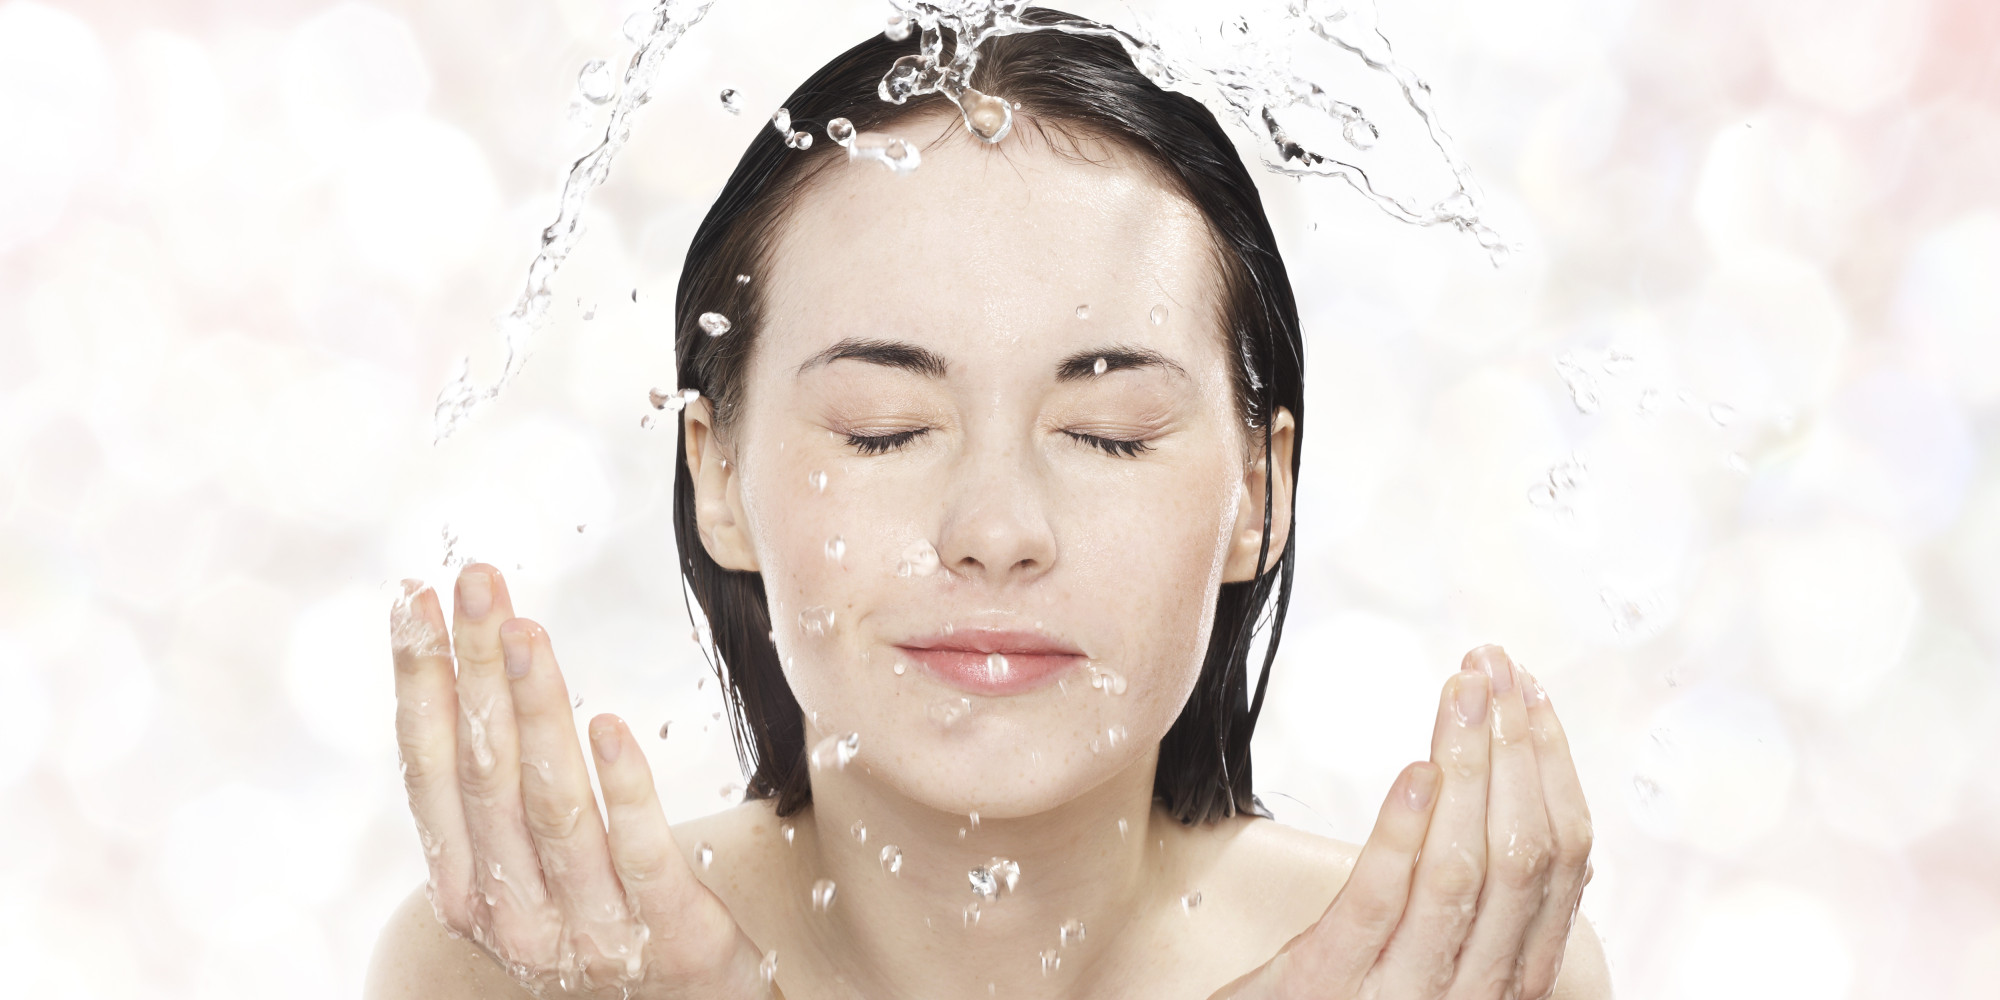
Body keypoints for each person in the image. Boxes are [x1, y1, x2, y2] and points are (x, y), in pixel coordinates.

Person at [367, 10, 1609, 999]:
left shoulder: (1454, 970)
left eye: (1107, 436)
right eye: (883, 429)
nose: (996, 530)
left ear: (1258, 495)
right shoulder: (532, 966)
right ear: (717, 475)